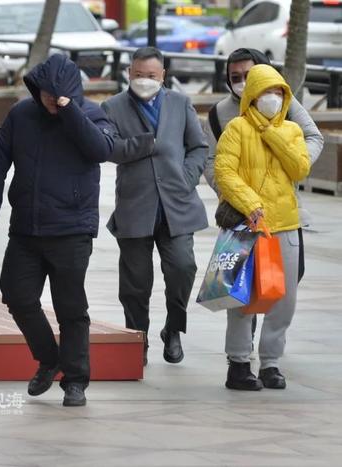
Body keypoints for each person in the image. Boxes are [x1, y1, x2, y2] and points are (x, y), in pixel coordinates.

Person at [0, 54, 116, 407]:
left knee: (70, 306)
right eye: (46, 95)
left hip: (72, 227)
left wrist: (71, 113)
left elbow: (100, 150)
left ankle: (75, 380)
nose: (51, 101)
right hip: (27, 226)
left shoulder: (93, 114)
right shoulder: (22, 114)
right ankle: (48, 357)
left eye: (59, 95)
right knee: (16, 294)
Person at [101, 47, 208, 366]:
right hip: (136, 206)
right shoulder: (113, 107)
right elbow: (109, 149)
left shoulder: (180, 103)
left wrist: (186, 178)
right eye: (137, 75)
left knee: (183, 267)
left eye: (150, 76)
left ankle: (173, 329)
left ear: (162, 76)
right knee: (135, 282)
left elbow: (198, 147)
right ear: (128, 74)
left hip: (177, 205)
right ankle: (138, 338)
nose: (143, 81)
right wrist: (145, 144)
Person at [215, 64, 310, 390]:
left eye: (278, 92)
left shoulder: (292, 131)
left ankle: (271, 363)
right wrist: (252, 205)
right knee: (242, 298)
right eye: (266, 92)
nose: (271, 98)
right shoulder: (236, 129)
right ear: (252, 95)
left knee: (283, 299)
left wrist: (273, 135)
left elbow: (300, 168)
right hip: (246, 226)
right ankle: (239, 362)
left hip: (284, 226)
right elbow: (225, 173)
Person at [204, 47, 322, 282]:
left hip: (285, 212)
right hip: (240, 216)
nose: (242, 82)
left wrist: (296, 163)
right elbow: (211, 159)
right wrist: (230, 192)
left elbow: (313, 136)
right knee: (241, 289)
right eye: (235, 77)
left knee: (284, 283)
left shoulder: (281, 102)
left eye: (249, 74)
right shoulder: (219, 113)